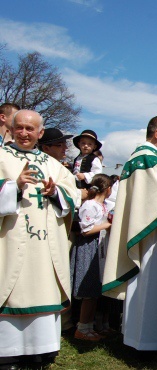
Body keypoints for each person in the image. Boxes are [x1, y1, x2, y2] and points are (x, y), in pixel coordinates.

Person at [102, 116, 157, 352]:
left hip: (156, 232)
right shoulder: (147, 159)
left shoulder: (152, 158)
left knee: (152, 289)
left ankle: (154, 340)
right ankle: (147, 343)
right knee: (150, 288)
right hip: (151, 237)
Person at [0, 110, 79, 369]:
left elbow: (72, 197)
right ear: (11, 129)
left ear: (40, 133)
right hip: (10, 243)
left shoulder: (52, 164)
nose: (24, 133)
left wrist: (55, 192)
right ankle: (7, 354)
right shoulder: (1, 157)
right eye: (19, 128)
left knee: (43, 290)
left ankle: (40, 353)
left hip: (44, 249)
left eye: (30, 129)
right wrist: (14, 186)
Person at [70, 174, 113, 341]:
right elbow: (86, 230)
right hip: (88, 248)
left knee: (95, 291)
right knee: (89, 291)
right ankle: (82, 327)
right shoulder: (90, 205)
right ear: (108, 189)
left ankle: (91, 325)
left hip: (99, 248)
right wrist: (109, 224)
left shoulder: (102, 205)